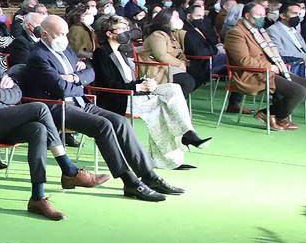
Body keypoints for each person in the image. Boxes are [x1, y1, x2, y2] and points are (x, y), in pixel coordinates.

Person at [0, 22, 107, 221]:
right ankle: (68, 169)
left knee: (37, 129)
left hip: (1, 119)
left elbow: (16, 92)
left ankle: (37, 197)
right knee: (39, 107)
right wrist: (2, 97)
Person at [20, 15, 186, 201]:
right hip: (57, 108)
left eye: (66, 34)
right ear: (44, 34)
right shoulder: (37, 56)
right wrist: (77, 78)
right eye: (60, 34)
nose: (65, 38)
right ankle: (129, 181)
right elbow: (60, 88)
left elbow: (89, 71)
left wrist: (75, 78)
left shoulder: (65, 48)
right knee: (103, 126)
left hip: (81, 102)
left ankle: (149, 175)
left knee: (120, 122)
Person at [91, 15, 210, 168]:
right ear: (109, 33)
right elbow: (109, 84)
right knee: (163, 108)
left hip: (132, 93)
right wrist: (137, 87)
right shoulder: (101, 54)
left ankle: (187, 133)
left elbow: (128, 80)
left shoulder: (122, 52)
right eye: (122, 28)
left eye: (127, 28)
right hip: (118, 99)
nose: (126, 32)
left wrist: (145, 82)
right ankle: (174, 153)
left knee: (173, 88)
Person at [224, 0, 306, 130]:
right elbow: (243, 61)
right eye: (259, 16)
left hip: (270, 70)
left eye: (264, 15)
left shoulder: (259, 31)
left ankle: (274, 114)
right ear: (247, 16)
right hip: (251, 74)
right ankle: (271, 114)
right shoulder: (236, 33)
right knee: (299, 92)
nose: (263, 19)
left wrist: (278, 66)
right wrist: (270, 67)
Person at [140, 11, 197, 97]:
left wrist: (183, 62)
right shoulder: (157, 35)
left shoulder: (171, 34)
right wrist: (180, 64)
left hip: (169, 67)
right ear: (166, 19)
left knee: (195, 74)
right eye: (176, 17)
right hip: (157, 69)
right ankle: (173, 105)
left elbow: (178, 52)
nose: (179, 20)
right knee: (187, 82)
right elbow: (161, 56)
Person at [268, 1, 306, 77]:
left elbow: (304, 48)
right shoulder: (273, 30)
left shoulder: (293, 29)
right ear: (283, 15)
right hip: (293, 67)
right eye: (294, 13)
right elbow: (280, 52)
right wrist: (305, 56)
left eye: (299, 14)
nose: (298, 17)